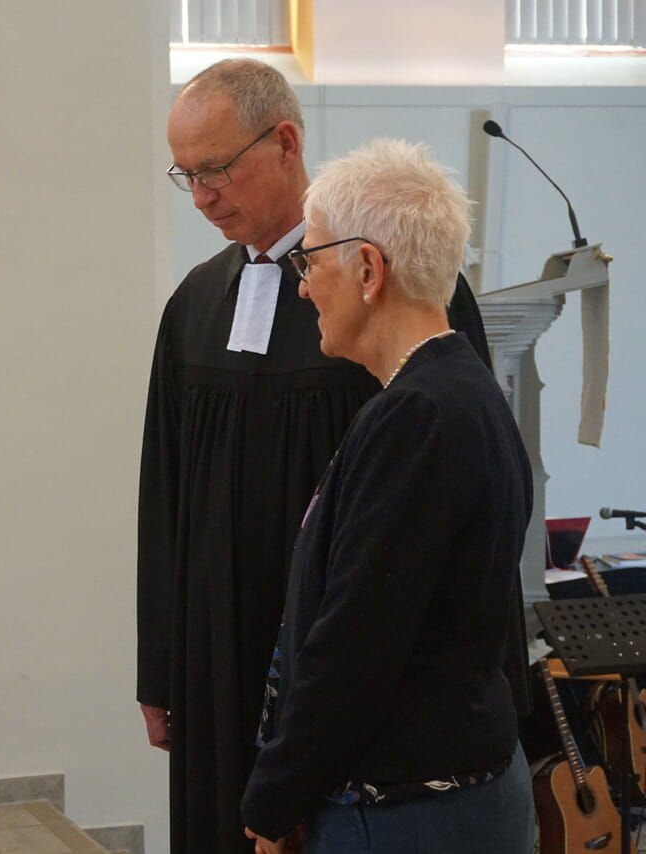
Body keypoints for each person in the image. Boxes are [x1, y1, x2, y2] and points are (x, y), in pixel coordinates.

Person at [136, 59, 495, 854]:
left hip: (337, 659)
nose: (202, 198)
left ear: (287, 142)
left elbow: (452, 493)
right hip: (212, 649)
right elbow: (162, 492)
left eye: (217, 170)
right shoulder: (194, 303)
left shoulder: (390, 289)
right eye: (186, 177)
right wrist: (159, 666)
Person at [240, 138, 533, 854]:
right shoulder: (456, 393)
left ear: (368, 268)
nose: (303, 286)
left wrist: (272, 799)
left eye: (311, 262)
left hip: (406, 813)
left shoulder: (420, 418)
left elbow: (355, 644)